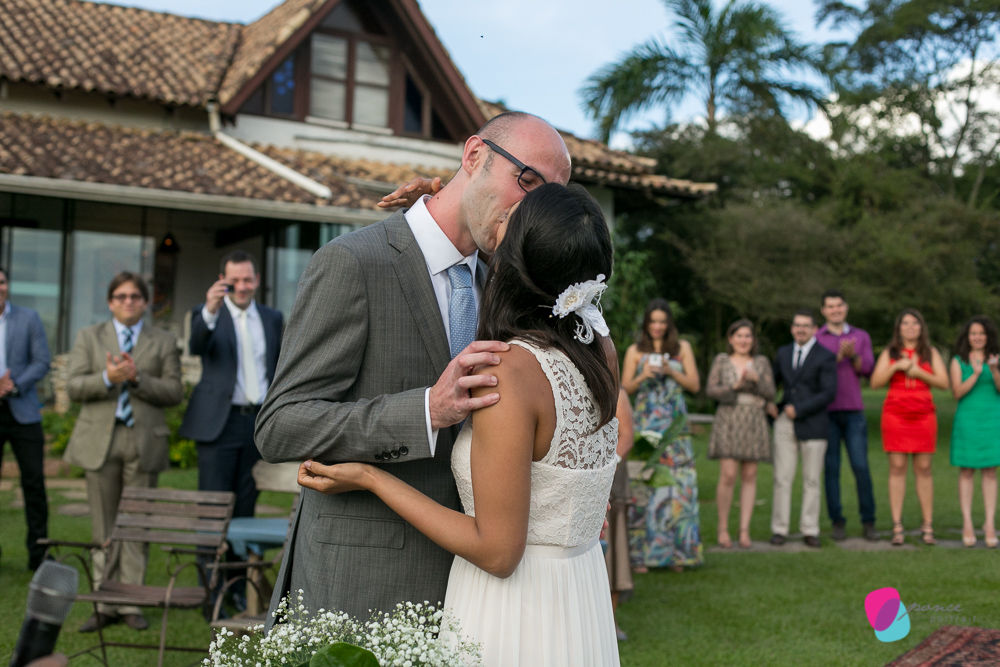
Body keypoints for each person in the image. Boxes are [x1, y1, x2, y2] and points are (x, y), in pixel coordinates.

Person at [255, 112, 573, 623]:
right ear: (474, 156)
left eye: (548, 196)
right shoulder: (354, 264)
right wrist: (428, 409)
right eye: (527, 182)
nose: (532, 210)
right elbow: (280, 426)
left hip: (479, 587)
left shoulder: (508, 285)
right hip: (362, 582)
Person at [299, 182, 620, 667]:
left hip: (513, 609)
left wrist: (371, 478)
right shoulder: (601, 350)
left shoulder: (508, 372)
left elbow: (497, 552)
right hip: (578, 592)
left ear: (517, 259)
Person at [64, 272, 183, 632]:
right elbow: (72, 386)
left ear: (145, 302)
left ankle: (131, 602)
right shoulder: (89, 336)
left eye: (135, 296)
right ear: (110, 301)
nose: (128, 301)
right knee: (104, 524)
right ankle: (104, 603)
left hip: (143, 440)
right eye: (121, 296)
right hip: (100, 439)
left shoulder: (163, 340)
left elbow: (175, 392)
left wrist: (136, 379)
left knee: (136, 525)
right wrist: (107, 378)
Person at [179, 250, 283, 519]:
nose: (241, 287)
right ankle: (207, 562)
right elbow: (197, 346)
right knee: (213, 502)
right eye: (234, 280)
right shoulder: (205, 314)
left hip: (257, 421)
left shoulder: (272, 318)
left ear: (257, 280)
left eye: (247, 280)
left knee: (246, 501)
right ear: (222, 280)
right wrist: (210, 311)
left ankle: (235, 561)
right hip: (220, 423)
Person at [621, 299, 701, 570]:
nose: (657, 326)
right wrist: (643, 374)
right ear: (646, 324)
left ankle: (679, 554)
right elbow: (624, 390)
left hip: (675, 429)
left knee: (678, 489)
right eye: (653, 321)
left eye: (662, 321)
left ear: (669, 325)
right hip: (646, 428)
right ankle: (641, 555)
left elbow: (694, 385)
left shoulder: (682, 349)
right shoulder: (634, 350)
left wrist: (670, 371)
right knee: (644, 488)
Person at [870, 309, 949, 546]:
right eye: (905, 323)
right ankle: (897, 526)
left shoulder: (929, 352)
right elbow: (875, 383)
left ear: (921, 327)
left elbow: (944, 383)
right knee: (897, 466)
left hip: (923, 413)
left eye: (915, 323)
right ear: (899, 328)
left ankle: (927, 526)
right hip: (896, 413)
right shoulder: (890, 352)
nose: (910, 327)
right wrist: (895, 367)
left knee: (924, 467)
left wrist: (918, 371)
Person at [767, 309, 837, 548]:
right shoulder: (783, 353)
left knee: (811, 479)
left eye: (805, 326)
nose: (801, 329)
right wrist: (770, 403)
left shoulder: (825, 356)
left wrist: (801, 409)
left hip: (814, 422)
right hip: (785, 422)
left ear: (815, 329)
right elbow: (773, 382)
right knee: (782, 477)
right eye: (797, 325)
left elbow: (828, 392)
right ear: (792, 329)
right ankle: (780, 528)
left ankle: (809, 529)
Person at [706, 320, 775, 549]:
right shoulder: (721, 360)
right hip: (729, 419)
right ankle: (723, 528)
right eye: (739, 336)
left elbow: (771, 392)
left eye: (748, 336)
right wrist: (733, 387)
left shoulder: (762, 362)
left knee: (750, 475)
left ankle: (744, 530)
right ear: (731, 338)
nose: (744, 340)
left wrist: (756, 382)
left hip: (754, 419)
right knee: (727, 475)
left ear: (753, 340)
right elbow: (710, 390)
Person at [0, 267, 51, 571]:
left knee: (34, 484)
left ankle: (39, 554)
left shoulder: (28, 318)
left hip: (23, 410)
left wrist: (12, 384)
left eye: (2, 282)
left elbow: (42, 360)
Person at [816, 290, 877, 541]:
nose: (835, 310)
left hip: (854, 411)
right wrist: (836, 358)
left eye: (839, 305)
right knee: (831, 469)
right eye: (830, 307)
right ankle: (837, 520)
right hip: (826, 412)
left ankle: (869, 520)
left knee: (861, 466)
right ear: (823, 311)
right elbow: (814, 373)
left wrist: (853, 356)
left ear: (846, 308)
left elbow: (869, 370)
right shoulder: (816, 338)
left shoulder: (860, 336)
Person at [948, 316, 1000, 548]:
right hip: (968, 420)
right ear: (967, 337)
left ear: (988, 336)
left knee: (990, 471)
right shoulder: (958, 361)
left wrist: (994, 370)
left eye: (981, 333)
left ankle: (989, 523)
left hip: (992, 420)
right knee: (967, 470)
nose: (977, 337)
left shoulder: (996, 358)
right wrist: (977, 373)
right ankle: (967, 522)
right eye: (973, 333)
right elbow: (957, 392)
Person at [606, 388, 634, 641]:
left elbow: (626, 437)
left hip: (610, 480)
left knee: (614, 553)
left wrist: (604, 469)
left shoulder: (617, 392)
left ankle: (610, 622)